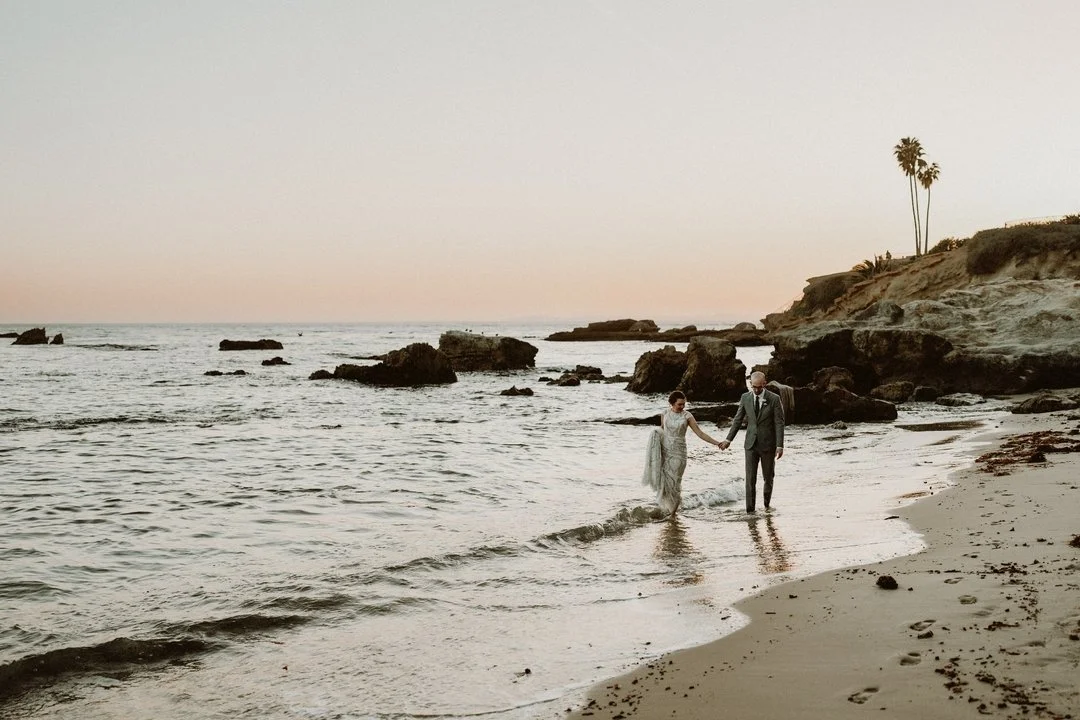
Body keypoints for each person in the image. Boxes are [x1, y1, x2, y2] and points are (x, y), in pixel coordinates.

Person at [643, 390, 723, 518]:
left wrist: (717, 443)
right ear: (672, 403)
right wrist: (655, 441)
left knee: (674, 483)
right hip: (665, 451)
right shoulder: (665, 413)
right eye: (679, 404)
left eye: (683, 404)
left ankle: (672, 514)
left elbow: (700, 433)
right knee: (664, 483)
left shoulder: (687, 416)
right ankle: (670, 509)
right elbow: (662, 430)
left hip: (679, 453)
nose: (682, 407)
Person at [719, 371, 785, 513]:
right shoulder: (745, 398)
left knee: (768, 477)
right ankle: (750, 511)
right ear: (750, 384)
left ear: (764, 384)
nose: (756, 390)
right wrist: (728, 439)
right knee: (750, 480)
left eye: (759, 387)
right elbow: (737, 420)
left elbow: (779, 423)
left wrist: (780, 446)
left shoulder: (774, 399)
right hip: (750, 445)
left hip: (768, 444)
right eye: (753, 387)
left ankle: (767, 505)